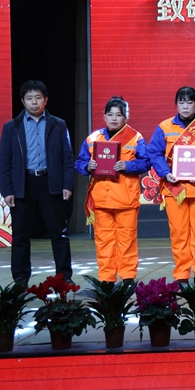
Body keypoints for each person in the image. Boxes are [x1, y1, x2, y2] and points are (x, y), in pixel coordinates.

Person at [0, 80, 75, 287]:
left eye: (38, 98)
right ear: (23, 101)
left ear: (46, 100)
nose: (34, 102)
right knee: (21, 235)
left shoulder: (58, 125)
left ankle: (64, 276)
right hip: (23, 185)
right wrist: (7, 190)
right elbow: (4, 162)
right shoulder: (11, 127)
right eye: (29, 98)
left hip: (51, 183)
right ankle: (21, 279)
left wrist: (67, 185)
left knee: (59, 233)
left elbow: (68, 158)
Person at [148, 86, 195, 281]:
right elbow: (154, 152)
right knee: (179, 234)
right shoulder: (164, 127)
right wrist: (166, 173)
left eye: (190, 102)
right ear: (176, 104)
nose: (186, 106)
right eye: (182, 102)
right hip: (175, 188)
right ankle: (181, 275)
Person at [75, 96, 150, 284]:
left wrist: (127, 165)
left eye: (119, 115)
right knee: (104, 242)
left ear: (126, 117)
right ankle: (107, 280)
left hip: (126, 200)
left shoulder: (135, 137)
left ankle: (127, 279)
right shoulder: (93, 139)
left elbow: (146, 162)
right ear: (104, 116)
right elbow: (79, 162)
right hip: (101, 200)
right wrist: (88, 166)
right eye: (110, 114)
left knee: (127, 242)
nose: (114, 118)